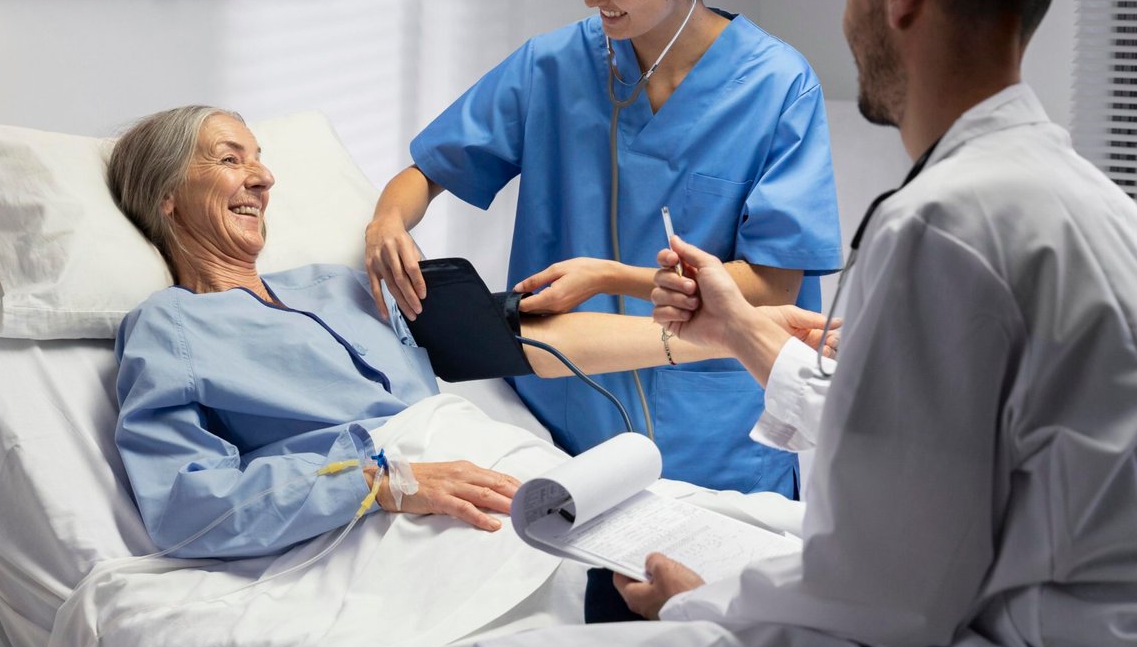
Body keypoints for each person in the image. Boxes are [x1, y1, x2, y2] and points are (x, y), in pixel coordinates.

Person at [469, 0, 1137, 647]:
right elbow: (953, 447)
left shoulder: (939, 223)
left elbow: (892, 590)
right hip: (1066, 634)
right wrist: (742, 330)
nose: (846, 11)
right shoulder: (1093, 202)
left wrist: (704, 597)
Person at [105, 105, 833, 560]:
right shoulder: (168, 327)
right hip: (400, 512)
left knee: (767, 546)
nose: (262, 177)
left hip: (505, 465)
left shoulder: (337, 284)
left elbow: (527, 340)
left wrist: (740, 330)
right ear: (166, 197)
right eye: (230, 159)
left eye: (259, 157)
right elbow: (185, 505)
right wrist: (381, 482)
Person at [366, 0, 843, 500]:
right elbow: (428, 170)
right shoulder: (554, 66)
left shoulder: (777, 85)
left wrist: (610, 275)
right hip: (564, 421)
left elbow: (771, 283)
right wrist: (388, 218)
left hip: (718, 438)